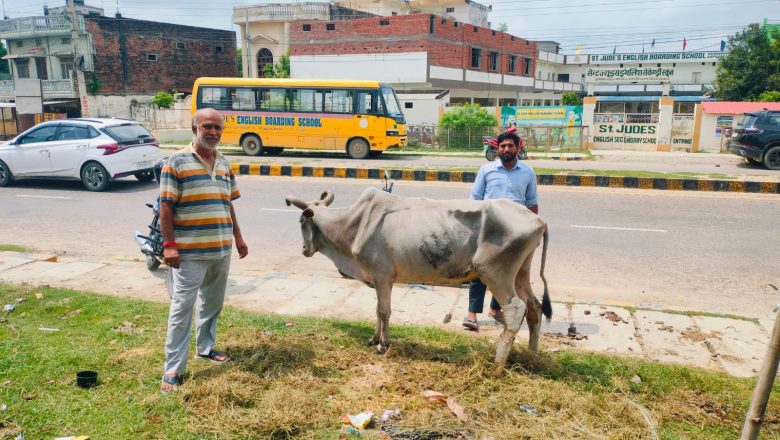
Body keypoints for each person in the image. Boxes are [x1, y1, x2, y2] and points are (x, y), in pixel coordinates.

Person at [158, 108, 249, 392]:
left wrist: (238, 237)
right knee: (182, 308)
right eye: (207, 126)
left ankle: (205, 348)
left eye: (218, 128)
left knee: (212, 303)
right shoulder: (176, 161)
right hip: (189, 253)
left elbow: (227, 202)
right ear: (194, 128)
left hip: (221, 248)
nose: (213, 132)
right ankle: (173, 369)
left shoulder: (223, 161)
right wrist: (169, 246)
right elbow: (166, 206)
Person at [463, 131, 538, 332]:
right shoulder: (486, 170)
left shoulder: (528, 172)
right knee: (479, 270)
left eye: (510, 146)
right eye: (502, 146)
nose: (506, 149)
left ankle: (495, 309)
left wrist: (533, 232)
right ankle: (472, 315)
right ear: (497, 149)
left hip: (515, 232)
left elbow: (532, 203)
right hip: (488, 229)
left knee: (507, 273)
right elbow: (475, 200)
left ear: (518, 148)